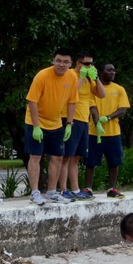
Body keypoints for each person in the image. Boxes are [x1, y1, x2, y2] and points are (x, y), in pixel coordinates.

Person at [24, 48, 78, 206]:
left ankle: (52, 192)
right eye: (59, 61)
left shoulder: (72, 77)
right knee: (36, 156)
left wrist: (69, 123)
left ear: (70, 64)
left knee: (58, 157)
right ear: (53, 61)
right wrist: (36, 126)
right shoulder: (42, 75)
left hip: (56, 123)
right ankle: (34, 192)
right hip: (36, 121)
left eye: (66, 62)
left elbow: (72, 101)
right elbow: (32, 101)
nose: (62, 64)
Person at [58, 52, 105, 200]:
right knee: (66, 156)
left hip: (83, 120)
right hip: (69, 118)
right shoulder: (70, 74)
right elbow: (70, 93)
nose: (90, 66)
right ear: (78, 64)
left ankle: (76, 189)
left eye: (92, 63)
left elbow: (102, 94)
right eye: (86, 64)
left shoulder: (89, 79)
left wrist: (95, 78)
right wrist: (81, 77)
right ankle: (63, 189)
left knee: (76, 158)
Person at [84, 63, 129, 199]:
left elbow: (123, 109)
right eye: (109, 70)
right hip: (94, 132)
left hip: (113, 132)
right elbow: (92, 108)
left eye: (114, 70)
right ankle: (88, 189)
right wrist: (97, 122)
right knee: (90, 162)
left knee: (114, 162)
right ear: (101, 72)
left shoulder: (119, 89)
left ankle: (112, 188)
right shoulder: (93, 89)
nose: (112, 72)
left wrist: (107, 118)